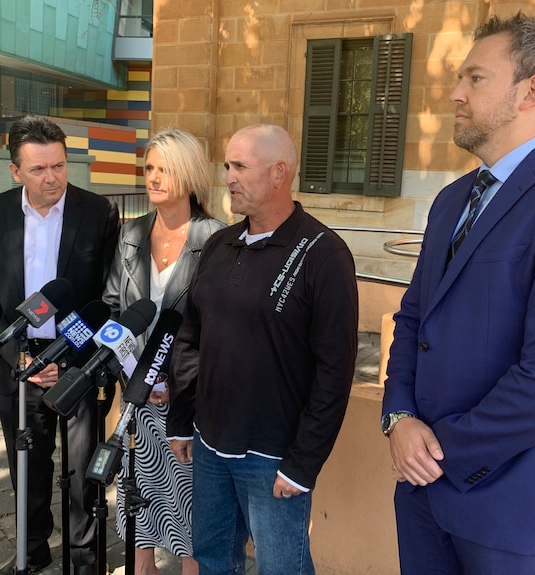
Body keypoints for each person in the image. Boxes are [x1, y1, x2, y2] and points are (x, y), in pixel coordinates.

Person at [381, 12, 535, 575]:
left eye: (475, 78)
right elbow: (414, 318)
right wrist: (398, 417)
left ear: (531, 91)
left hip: (512, 507)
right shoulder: (451, 201)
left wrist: (438, 451)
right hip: (422, 493)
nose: (454, 94)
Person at [166, 124, 359, 575]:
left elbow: (335, 371)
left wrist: (303, 464)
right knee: (213, 561)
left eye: (240, 166)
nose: (228, 176)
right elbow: (190, 337)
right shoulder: (219, 244)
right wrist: (181, 420)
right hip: (210, 446)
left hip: (274, 457)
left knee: (282, 569)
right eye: (227, 165)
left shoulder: (323, 254)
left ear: (279, 173)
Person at [0, 115, 119, 575]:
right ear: (15, 171)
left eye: (58, 165)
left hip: (78, 365)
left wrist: (67, 359)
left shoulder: (98, 213)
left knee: (81, 474)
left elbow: (106, 299)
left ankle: (84, 563)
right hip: (18, 367)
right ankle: (30, 556)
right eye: (38, 169)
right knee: (27, 470)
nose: (51, 177)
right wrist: (22, 356)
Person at [102, 128, 224, 575]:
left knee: (191, 506)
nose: (152, 177)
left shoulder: (216, 238)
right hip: (138, 395)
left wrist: (175, 380)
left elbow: (218, 326)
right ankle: (142, 569)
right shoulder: (131, 233)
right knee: (140, 497)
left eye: (164, 169)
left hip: (189, 399)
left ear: (189, 175)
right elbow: (114, 310)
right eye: (149, 168)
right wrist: (136, 376)